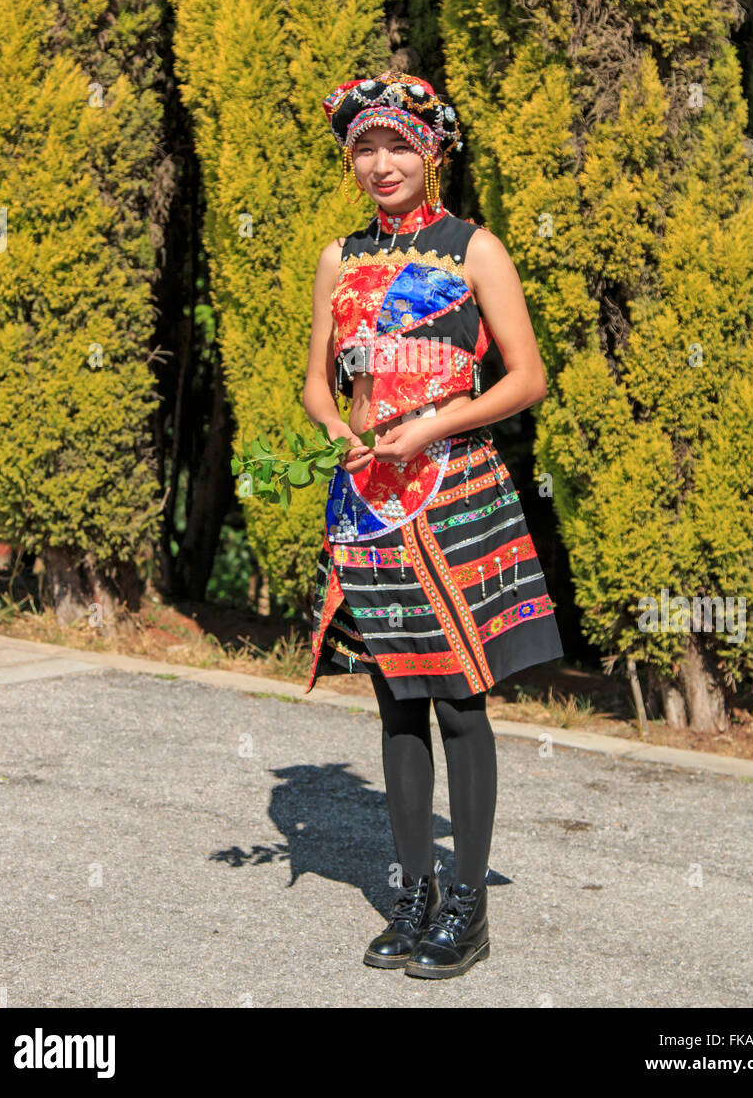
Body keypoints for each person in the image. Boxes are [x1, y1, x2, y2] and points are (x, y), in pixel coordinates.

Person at [302, 70, 563, 979]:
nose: (381, 164)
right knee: (396, 697)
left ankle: (469, 909)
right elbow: (318, 386)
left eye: (398, 146)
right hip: (367, 504)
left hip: (454, 495)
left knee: (460, 699)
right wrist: (341, 431)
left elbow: (525, 377)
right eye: (364, 149)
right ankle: (412, 894)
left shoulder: (474, 249)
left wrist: (434, 422)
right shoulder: (340, 257)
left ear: (434, 151)